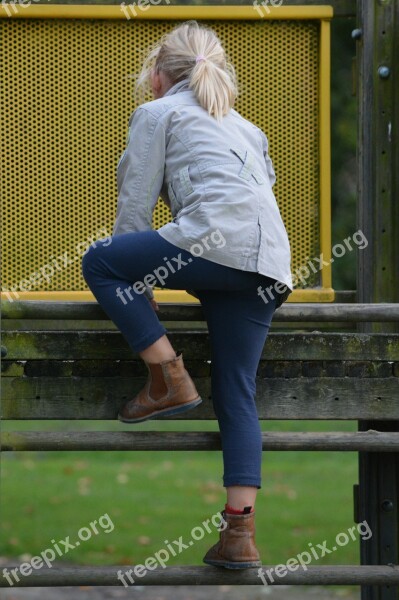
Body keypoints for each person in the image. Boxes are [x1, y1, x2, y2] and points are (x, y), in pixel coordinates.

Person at [81, 19, 293, 569]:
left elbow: (134, 206)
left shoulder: (157, 113)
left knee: (100, 261)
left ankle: (168, 377)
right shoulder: (247, 126)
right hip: (267, 266)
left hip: (209, 246)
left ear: (156, 76)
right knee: (235, 391)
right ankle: (239, 537)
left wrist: (138, 283)